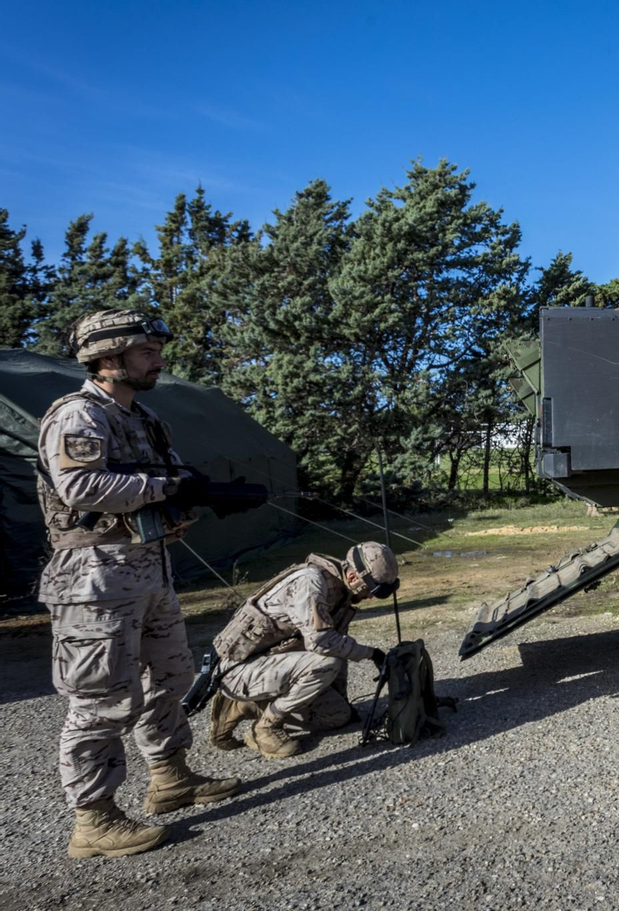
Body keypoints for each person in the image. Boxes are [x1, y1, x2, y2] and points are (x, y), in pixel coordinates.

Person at [36, 309, 242, 859]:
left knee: (168, 678)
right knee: (101, 699)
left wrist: (205, 497)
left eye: (156, 350)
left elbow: (166, 485)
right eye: (146, 352)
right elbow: (81, 486)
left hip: (150, 569)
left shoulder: (147, 418)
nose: (158, 360)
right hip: (95, 580)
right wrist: (171, 485)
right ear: (109, 359)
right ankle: (94, 819)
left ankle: (170, 778)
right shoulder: (78, 415)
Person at [209, 541, 398, 759]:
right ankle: (265, 727)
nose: (370, 597)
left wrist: (341, 698)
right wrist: (371, 653)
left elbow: (339, 643)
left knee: (338, 716)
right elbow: (322, 642)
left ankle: (250, 705)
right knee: (328, 663)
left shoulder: (340, 591)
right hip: (239, 668)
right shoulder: (310, 582)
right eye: (370, 589)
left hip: (274, 666)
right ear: (354, 577)